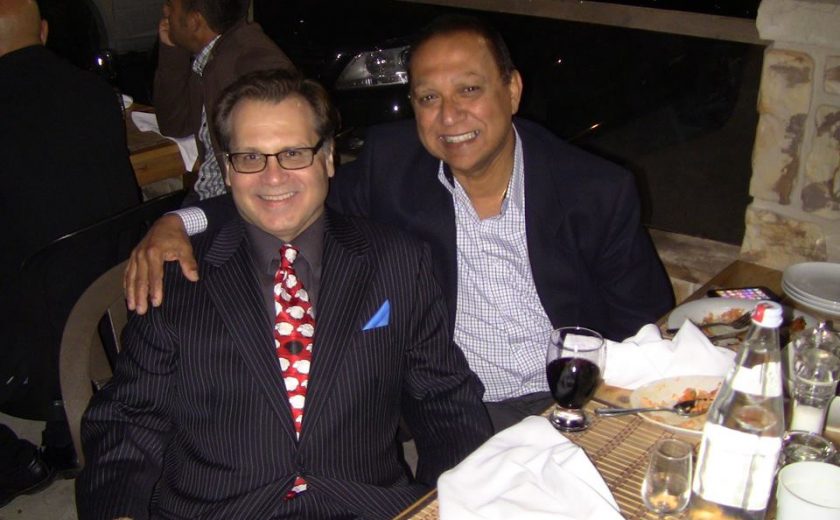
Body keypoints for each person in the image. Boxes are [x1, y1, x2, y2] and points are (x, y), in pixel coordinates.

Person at [125, 15, 675, 431]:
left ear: (511, 90)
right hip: (453, 410)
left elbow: (641, 324)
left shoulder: (594, 190)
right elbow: (284, 188)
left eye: (470, 89)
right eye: (428, 97)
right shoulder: (395, 167)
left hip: (571, 405)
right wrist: (182, 219)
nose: (449, 116)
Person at [77, 69, 491, 519]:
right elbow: (130, 420)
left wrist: (464, 499)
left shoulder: (396, 262)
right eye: (251, 157)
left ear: (329, 158)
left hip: (365, 507)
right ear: (230, 169)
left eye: (293, 153)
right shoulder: (175, 275)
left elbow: (442, 398)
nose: (273, 178)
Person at [0, 0, 141, 504]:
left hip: (26, 340)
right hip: (113, 305)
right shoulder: (95, 91)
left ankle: (11, 461)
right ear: (41, 31)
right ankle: (65, 418)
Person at [154, 0, 296, 202]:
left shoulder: (254, 65)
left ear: (195, 21)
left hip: (234, 205)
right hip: (212, 195)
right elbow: (174, 124)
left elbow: (271, 178)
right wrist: (172, 49)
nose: (165, 11)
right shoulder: (213, 56)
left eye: (170, 6)